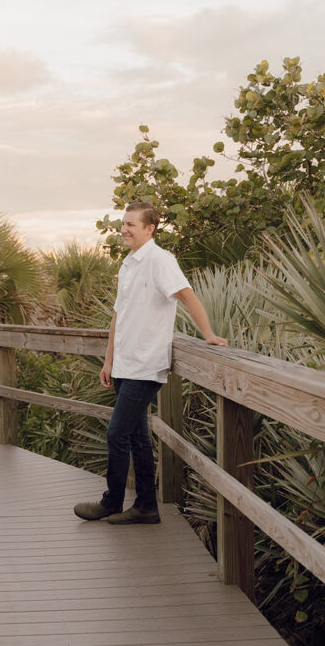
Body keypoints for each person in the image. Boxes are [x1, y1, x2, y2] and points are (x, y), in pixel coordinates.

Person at [74, 202, 227, 524]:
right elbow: (119, 315)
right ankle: (146, 506)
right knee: (136, 436)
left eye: (131, 224)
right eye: (123, 223)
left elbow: (187, 295)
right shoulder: (128, 263)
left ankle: (112, 502)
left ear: (150, 229)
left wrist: (209, 334)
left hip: (146, 364)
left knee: (117, 434)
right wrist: (109, 361)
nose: (124, 229)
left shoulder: (160, 260)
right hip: (124, 364)